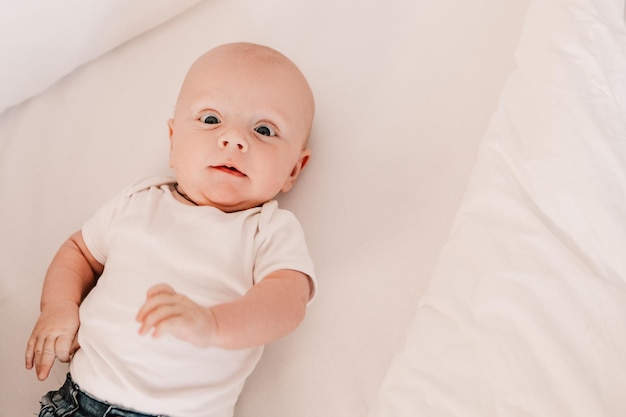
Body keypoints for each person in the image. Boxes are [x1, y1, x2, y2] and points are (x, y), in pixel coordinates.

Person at [24, 42, 317, 417]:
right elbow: (79, 252)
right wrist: (60, 306)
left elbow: (286, 304)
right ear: (173, 141)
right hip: (81, 400)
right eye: (211, 120)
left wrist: (212, 325)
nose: (233, 139)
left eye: (264, 129)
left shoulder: (267, 230)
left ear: (294, 169)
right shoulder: (140, 201)